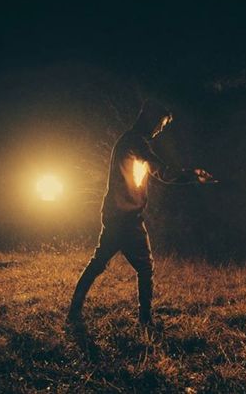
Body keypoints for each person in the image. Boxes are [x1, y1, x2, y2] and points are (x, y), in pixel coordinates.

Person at [68, 100, 215, 325]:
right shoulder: (136, 143)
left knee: (100, 263)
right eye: (160, 124)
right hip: (125, 217)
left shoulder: (131, 141)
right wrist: (192, 175)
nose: (160, 130)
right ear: (150, 120)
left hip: (118, 215)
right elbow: (162, 171)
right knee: (143, 268)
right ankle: (145, 320)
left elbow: (157, 171)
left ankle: (75, 311)